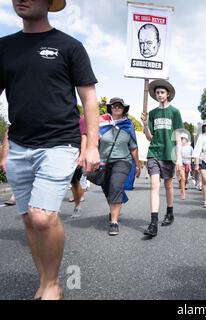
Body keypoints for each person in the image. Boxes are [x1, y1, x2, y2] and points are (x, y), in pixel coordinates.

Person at [0, 0, 99, 300]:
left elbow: (89, 97)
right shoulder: (4, 47)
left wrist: (92, 145)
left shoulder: (69, 46)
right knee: (30, 219)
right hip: (18, 144)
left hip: (60, 142)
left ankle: (53, 283)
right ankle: (44, 280)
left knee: (43, 217)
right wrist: (5, 147)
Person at [141, 79, 183, 238]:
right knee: (154, 185)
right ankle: (153, 223)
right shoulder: (151, 113)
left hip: (169, 153)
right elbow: (149, 137)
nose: (159, 95)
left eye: (162, 92)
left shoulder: (175, 112)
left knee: (168, 185)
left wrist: (178, 157)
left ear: (168, 94)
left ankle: (170, 212)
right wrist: (145, 124)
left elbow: (178, 135)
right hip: (154, 152)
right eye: (157, 92)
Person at [99, 98, 140, 236]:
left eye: (119, 106)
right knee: (108, 189)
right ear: (110, 108)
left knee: (116, 186)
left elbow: (133, 147)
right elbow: (93, 140)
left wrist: (138, 165)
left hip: (123, 161)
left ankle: (114, 222)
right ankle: (114, 211)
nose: (116, 108)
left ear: (123, 109)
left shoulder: (128, 125)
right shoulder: (101, 122)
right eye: (114, 106)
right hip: (103, 162)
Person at [69, 116, 87, 218]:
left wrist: (82, 156)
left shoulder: (79, 119)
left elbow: (84, 137)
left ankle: (77, 206)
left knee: (74, 183)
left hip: (74, 153)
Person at [179, 132, 193, 200]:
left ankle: (183, 187)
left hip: (187, 163)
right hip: (181, 163)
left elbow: (193, 156)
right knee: (183, 178)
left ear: (186, 139)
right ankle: (183, 193)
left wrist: (188, 156)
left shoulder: (190, 147)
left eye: (183, 138)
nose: (181, 140)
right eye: (181, 138)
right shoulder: (179, 147)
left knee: (185, 178)